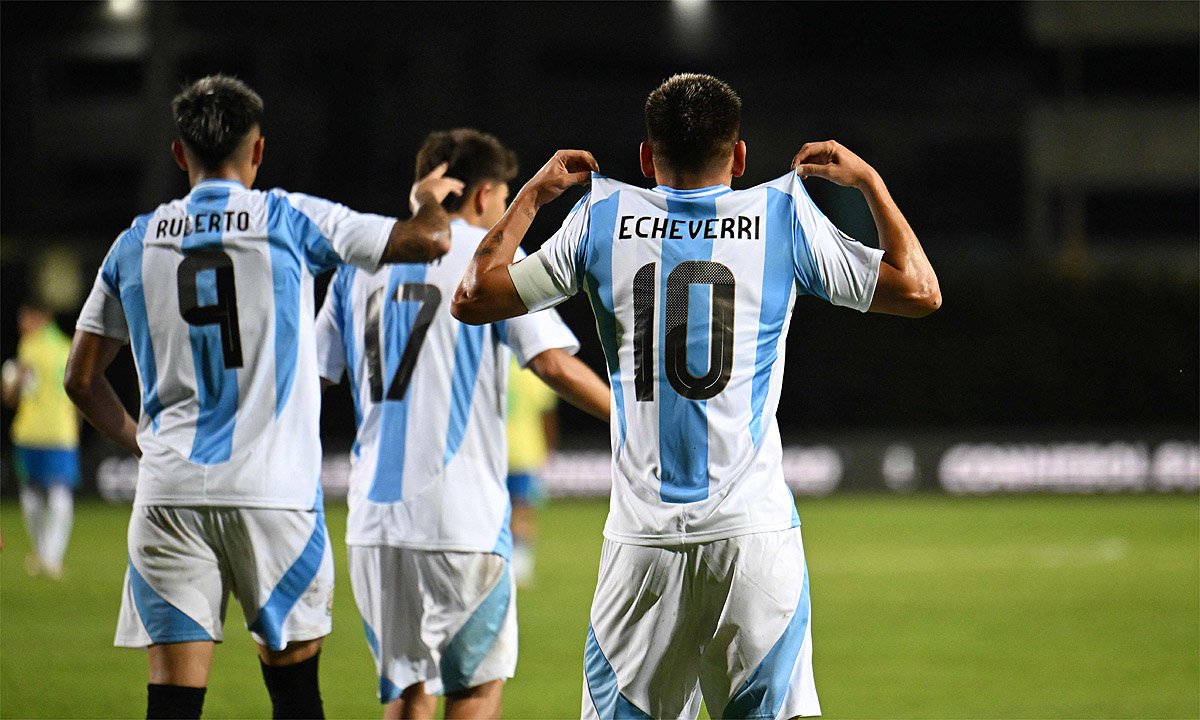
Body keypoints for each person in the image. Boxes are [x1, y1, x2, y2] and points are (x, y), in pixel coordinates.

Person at [452, 73, 940, 719]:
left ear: (647, 157)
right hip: (753, 540)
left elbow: (474, 296)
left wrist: (534, 195)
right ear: (739, 157)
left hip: (641, 546)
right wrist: (870, 183)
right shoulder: (783, 212)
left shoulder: (600, 216)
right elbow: (920, 290)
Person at [63, 74, 463, 720]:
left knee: (171, 703)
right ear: (257, 151)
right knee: (296, 698)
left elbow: (81, 379)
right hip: (272, 495)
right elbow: (428, 243)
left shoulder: (135, 241)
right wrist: (427, 201)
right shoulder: (289, 216)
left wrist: (142, 443)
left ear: (178, 154)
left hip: (169, 495)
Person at [315, 128, 610, 720]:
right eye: (502, 199)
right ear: (483, 195)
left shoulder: (360, 266)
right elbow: (551, 362)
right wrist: (631, 419)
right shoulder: (489, 257)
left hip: (375, 522)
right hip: (461, 517)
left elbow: (316, 377)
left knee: (406, 694)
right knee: (475, 690)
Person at [2, 302, 80, 580]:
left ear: (41, 318)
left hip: (29, 432)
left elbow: (13, 395)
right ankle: (51, 557)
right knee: (60, 495)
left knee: (32, 494)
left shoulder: (30, 347)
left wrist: (9, 383)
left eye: (26, 317)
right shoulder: (69, 346)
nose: (22, 323)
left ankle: (42, 554)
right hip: (61, 432)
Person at [504, 354, 559, 587]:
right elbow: (546, 411)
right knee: (523, 508)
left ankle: (500, 562)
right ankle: (521, 566)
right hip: (525, 451)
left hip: (493, 450)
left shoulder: (492, 363)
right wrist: (550, 446)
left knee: (496, 509)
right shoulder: (530, 368)